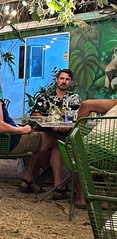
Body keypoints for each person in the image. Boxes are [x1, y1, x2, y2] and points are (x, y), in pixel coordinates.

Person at [0, 65, 58, 193]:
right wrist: (21, 130)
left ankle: (28, 179)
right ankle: (57, 183)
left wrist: (19, 128)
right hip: (7, 143)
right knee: (56, 139)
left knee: (36, 136)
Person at [31, 69, 80, 199]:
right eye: (62, 78)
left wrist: (66, 125)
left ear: (71, 82)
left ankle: (58, 185)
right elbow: (35, 114)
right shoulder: (45, 97)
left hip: (66, 133)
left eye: (67, 79)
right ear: (57, 80)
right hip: (48, 132)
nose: (64, 81)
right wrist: (52, 124)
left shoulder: (74, 98)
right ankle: (59, 185)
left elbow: (76, 116)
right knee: (55, 143)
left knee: (59, 145)